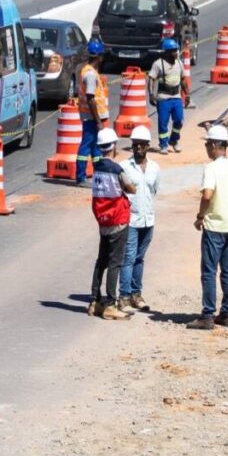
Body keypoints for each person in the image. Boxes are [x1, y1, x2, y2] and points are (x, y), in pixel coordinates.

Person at [189, 124, 228, 330]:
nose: (206, 148)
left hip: (214, 226)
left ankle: (207, 315)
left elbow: (207, 195)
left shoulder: (211, 168)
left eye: (207, 144)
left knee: (209, 271)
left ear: (214, 145)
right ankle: (226, 314)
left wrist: (200, 216)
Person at [88, 128, 136, 320]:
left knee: (102, 261)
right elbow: (130, 187)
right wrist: (132, 187)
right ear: (113, 146)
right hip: (118, 220)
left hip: (103, 221)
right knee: (115, 263)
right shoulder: (116, 169)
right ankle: (110, 304)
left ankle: (94, 301)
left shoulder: (96, 167)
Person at [118, 125, 160, 313]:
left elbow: (154, 190)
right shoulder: (124, 167)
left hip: (148, 220)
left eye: (142, 145)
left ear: (148, 146)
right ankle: (124, 296)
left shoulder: (154, 168)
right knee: (128, 258)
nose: (139, 148)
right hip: (131, 220)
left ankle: (136, 294)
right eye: (135, 144)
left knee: (139, 258)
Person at [76, 40, 109, 185]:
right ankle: (81, 177)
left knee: (96, 147)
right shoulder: (90, 74)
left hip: (92, 117)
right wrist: (98, 121)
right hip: (91, 118)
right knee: (87, 145)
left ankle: (99, 173)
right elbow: (90, 99)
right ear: (99, 57)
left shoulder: (90, 71)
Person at [148, 38, 187, 154]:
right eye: (173, 51)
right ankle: (163, 144)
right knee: (163, 123)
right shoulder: (158, 64)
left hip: (176, 97)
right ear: (167, 52)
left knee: (179, 120)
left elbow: (183, 80)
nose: (176, 53)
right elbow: (151, 80)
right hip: (163, 98)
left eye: (176, 50)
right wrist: (151, 94)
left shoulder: (179, 63)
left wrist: (187, 94)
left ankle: (174, 140)